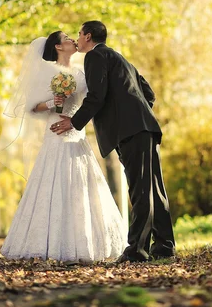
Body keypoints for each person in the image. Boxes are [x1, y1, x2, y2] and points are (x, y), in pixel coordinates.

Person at [51, 21, 176, 262]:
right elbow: (148, 94)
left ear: (88, 36)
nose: (77, 38)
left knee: (140, 189)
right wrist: (135, 113)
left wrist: (74, 122)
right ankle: (164, 246)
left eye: (79, 33)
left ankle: (137, 250)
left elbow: (97, 96)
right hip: (146, 127)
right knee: (155, 188)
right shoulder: (121, 59)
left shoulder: (95, 57)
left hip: (130, 130)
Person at [0, 31, 126, 263]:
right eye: (68, 38)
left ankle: (85, 244)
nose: (73, 40)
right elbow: (31, 107)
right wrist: (52, 102)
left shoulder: (80, 74)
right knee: (52, 182)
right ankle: (47, 242)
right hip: (55, 133)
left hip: (77, 134)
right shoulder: (47, 72)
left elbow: (93, 101)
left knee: (82, 183)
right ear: (58, 47)